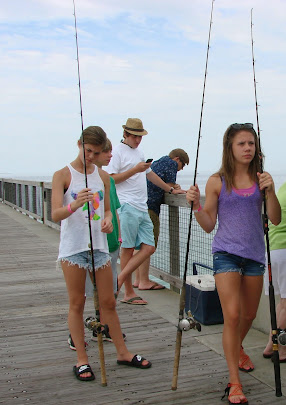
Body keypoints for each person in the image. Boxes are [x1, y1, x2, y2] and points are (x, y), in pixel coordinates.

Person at [186, 123, 281, 404]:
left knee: (249, 315)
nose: (248, 148)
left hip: (254, 256)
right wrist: (195, 208)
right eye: (241, 143)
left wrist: (271, 190)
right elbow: (208, 224)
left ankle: (237, 348)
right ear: (230, 147)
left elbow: (275, 218)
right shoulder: (217, 180)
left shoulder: (262, 178)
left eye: (251, 143)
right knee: (233, 315)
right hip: (225, 254)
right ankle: (234, 382)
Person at [52, 126, 151, 382]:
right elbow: (54, 214)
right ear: (79, 145)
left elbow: (107, 211)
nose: (91, 157)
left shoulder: (104, 178)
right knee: (77, 303)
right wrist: (73, 204)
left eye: (96, 153)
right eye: (88, 151)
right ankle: (82, 360)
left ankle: (123, 353)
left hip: (100, 249)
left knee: (108, 302)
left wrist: (107, 220)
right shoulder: (62, 175)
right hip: (74, 249)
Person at [107, 118, 186, 305]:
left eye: (140, 136)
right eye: (134, 136)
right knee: (126, 250)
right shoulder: (118, 152)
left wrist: (172, 190)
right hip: (126, 206)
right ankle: (128, 293)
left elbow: (150, 175)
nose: (137, 140)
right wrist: (135, 170)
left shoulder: (139, 152)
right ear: (125, 134)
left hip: (143, 207)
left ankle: (118, 281)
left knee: (149, 247)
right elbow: (111, 179)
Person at [133, 149, 189, 290]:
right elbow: (169, 186)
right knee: (148, 244)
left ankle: (138, 279)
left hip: (139, 205)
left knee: (138, 244)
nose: (179, 170)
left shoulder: (158, 162)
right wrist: (175, 187)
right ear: (177, 159)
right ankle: (144, 281)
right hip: (150, 207)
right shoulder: (170, 164)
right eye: (180, 166)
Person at [263, 181, 286, 361]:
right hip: (285, 250)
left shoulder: (283, 188)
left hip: (273, 249)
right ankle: (283, 350)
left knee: (282, 302)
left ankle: (271, 345)